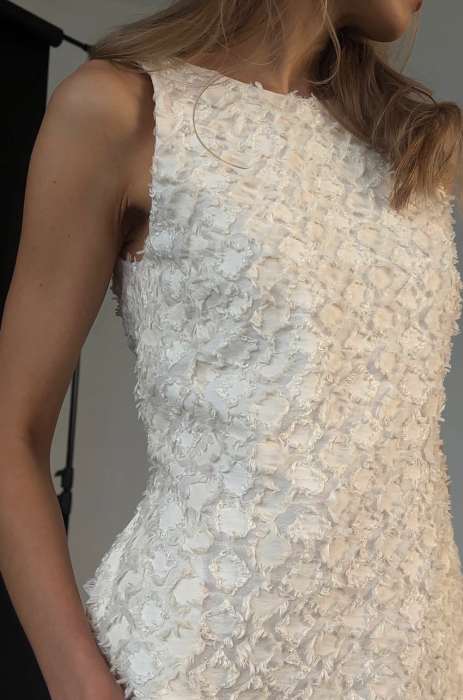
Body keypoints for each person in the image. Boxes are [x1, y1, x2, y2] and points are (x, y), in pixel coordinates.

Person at [0, 0, 462, 699]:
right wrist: (84, 690)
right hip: (202, 667)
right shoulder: (121, 111)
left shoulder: (411, 143)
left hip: (413, 663)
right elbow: (11, 433)